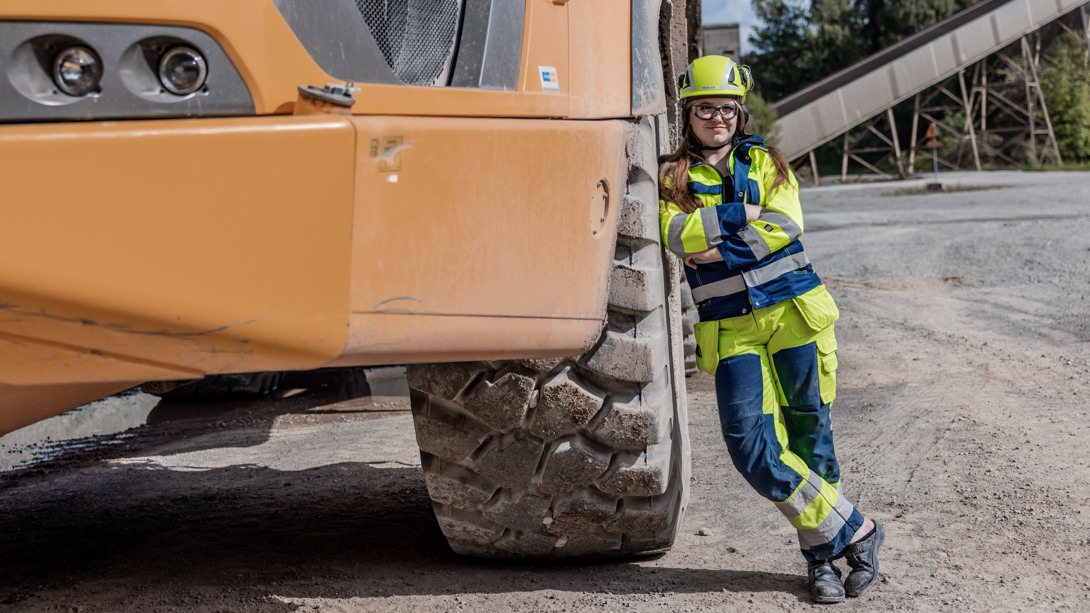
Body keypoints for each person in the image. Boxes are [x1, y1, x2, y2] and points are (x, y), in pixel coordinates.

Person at [658, 55, 884, 604]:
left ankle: (822, 560)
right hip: (731, 328)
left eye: (727, 109)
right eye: (706, 108)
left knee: (810, 432)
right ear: (688, 113)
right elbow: (673, 234)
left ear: (741, 113)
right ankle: (856, 526)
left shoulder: (767, 162)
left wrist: (716, 248)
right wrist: (742, 213)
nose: (718, 119)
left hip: (793, 313)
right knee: (749, 445)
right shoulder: (671, 176)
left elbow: (786, 226)